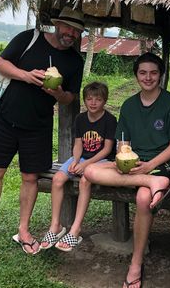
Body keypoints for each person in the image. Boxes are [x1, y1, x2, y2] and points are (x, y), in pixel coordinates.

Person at [0, 6, 85, 262]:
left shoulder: (74, 61)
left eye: (76, 31)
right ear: (57, 25)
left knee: (30, 177)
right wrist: (26, 76)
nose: (71, 34)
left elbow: (70, 98)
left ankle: (24, 229)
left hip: (39, 125)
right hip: (6, 118)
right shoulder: (29, 38)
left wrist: (57, 93)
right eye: (68, 28)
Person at [83, 52, 170, 288]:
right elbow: (122, 143)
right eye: (143, 73)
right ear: (136, 75)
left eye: (153, 72)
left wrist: (150, 166)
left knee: (142, 199)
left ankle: (136, 263)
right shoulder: (129, 105)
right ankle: (152, 183)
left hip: (162, 164)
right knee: (90, 172)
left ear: (160, 75)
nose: (148, 77)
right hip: (135, 165)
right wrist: (123, 158)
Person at [40, 82, 117, 251]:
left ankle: (75, 229)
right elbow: (78, 144)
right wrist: (75, 161)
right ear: (84, 100)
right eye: (89, 99)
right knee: (58, 179)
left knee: (84, 181)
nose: (93, 103)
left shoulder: (110, 120)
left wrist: (86, 164)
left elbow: (107, 149)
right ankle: (55, 225)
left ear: (104, 100)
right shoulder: (80, 119)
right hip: (81, 157)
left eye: (98, 99)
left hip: (102, 160)